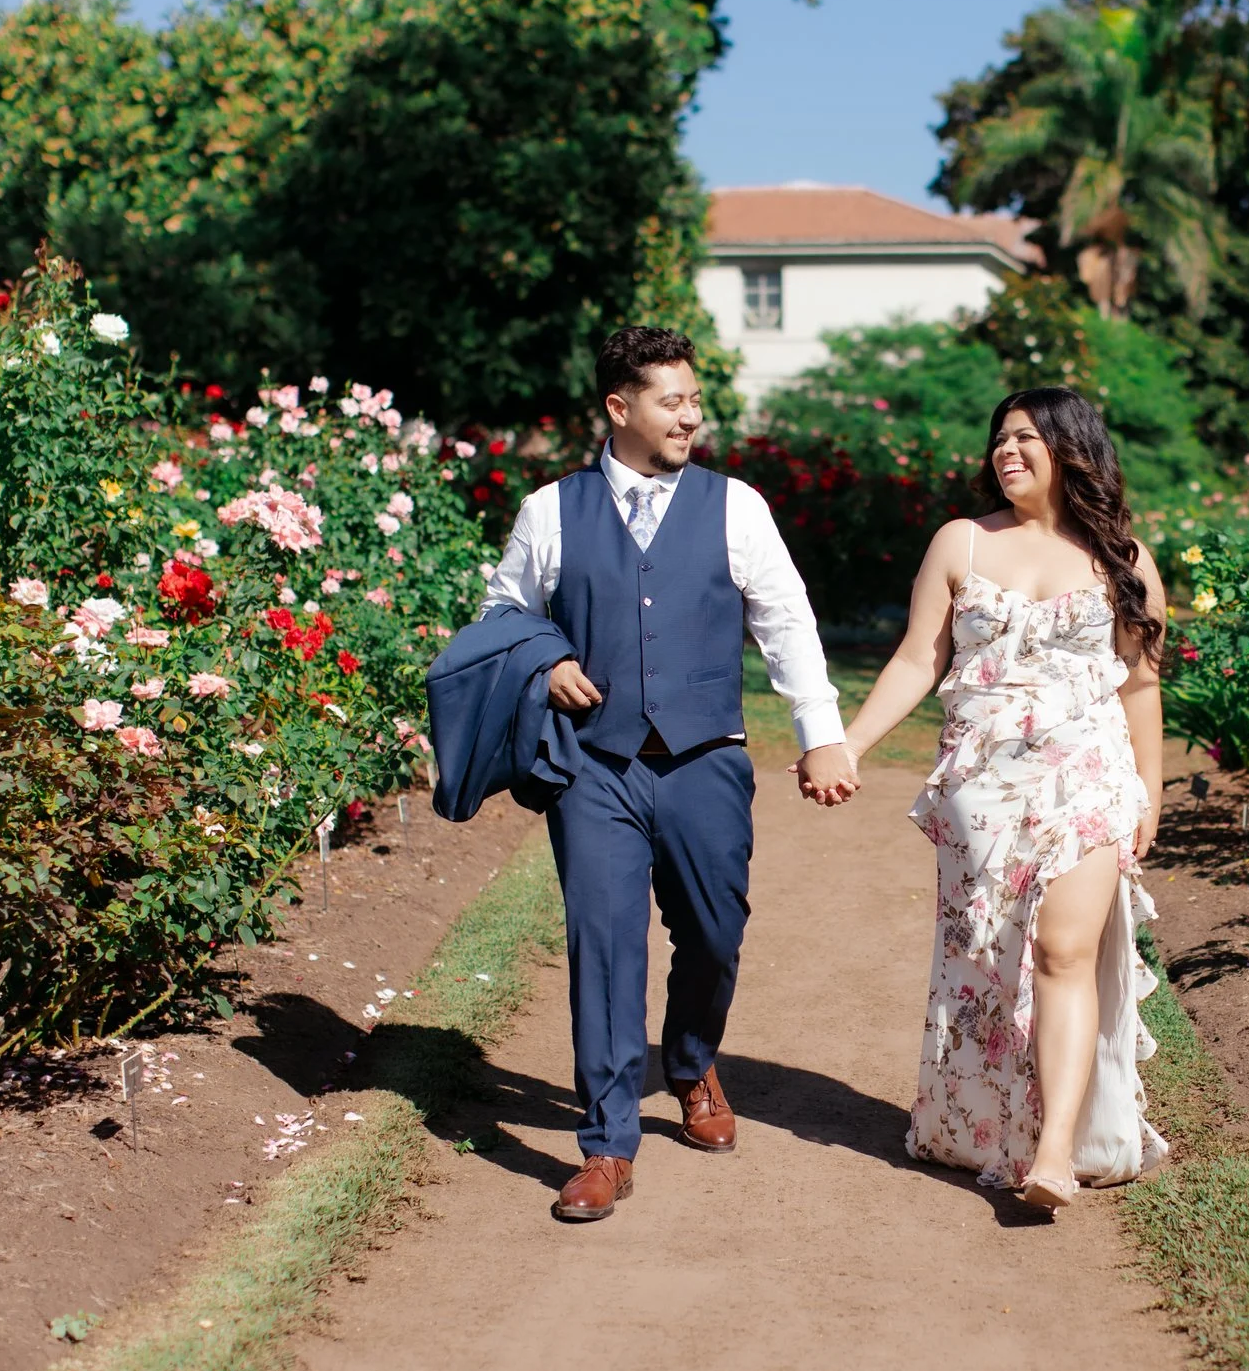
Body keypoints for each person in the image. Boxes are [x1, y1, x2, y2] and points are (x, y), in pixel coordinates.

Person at [475, 325, 858, 1223]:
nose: (693, 415)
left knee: (716, 932)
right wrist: (541, 658)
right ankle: (607, 1144)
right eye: (672, 400)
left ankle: (689, 1061)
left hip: (707, 760)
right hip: (594, 768)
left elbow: (788, 622)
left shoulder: (736, 506)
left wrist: (821, 732)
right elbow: (502, 611)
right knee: (604, 948)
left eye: (694, 398)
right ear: (620, 408)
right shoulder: (549, 511)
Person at [839, 387, 1170, 1209]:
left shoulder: (1121, 556)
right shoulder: (961, 542)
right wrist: (848, 744)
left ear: (1071, 448)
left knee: (1063, 952)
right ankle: (988, 1125)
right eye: (1000, 439)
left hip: (1086, 778)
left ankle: (1055, 1151)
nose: (1006, 451)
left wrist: (1149, 793)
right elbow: (920, 658)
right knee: (986, 965)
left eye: (1026, 437)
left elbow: (1140, 685)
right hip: (981, 790)